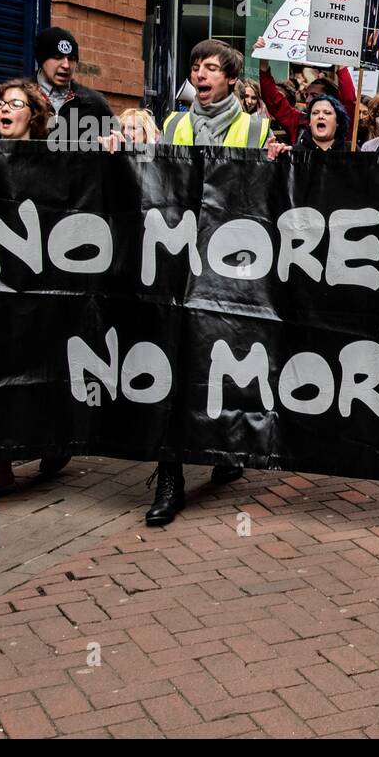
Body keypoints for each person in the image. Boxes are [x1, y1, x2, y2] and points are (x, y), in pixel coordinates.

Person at [145, 40, 271, 527]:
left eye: (212, 68)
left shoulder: (255, 126)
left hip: (234, 264)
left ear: (231, 80)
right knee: (174, 360)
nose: (201, 74)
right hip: (179, 259)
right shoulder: (173, 123)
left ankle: (225, 446)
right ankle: (169, 477)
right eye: (196, 66)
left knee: (226, 355)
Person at [0, 83, 70, 503]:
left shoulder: (52, 161)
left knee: (42, 364)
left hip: (42, 284)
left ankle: (52, 441)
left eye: (16, 104)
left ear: (33, 115)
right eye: (0, 104)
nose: (6, 109)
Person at [33, 26, 115, 145]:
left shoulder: (95, 103)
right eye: (58, 57)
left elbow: (119, 152)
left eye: (71, 58)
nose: (66, 65)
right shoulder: (17, 99)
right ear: (41, 60)